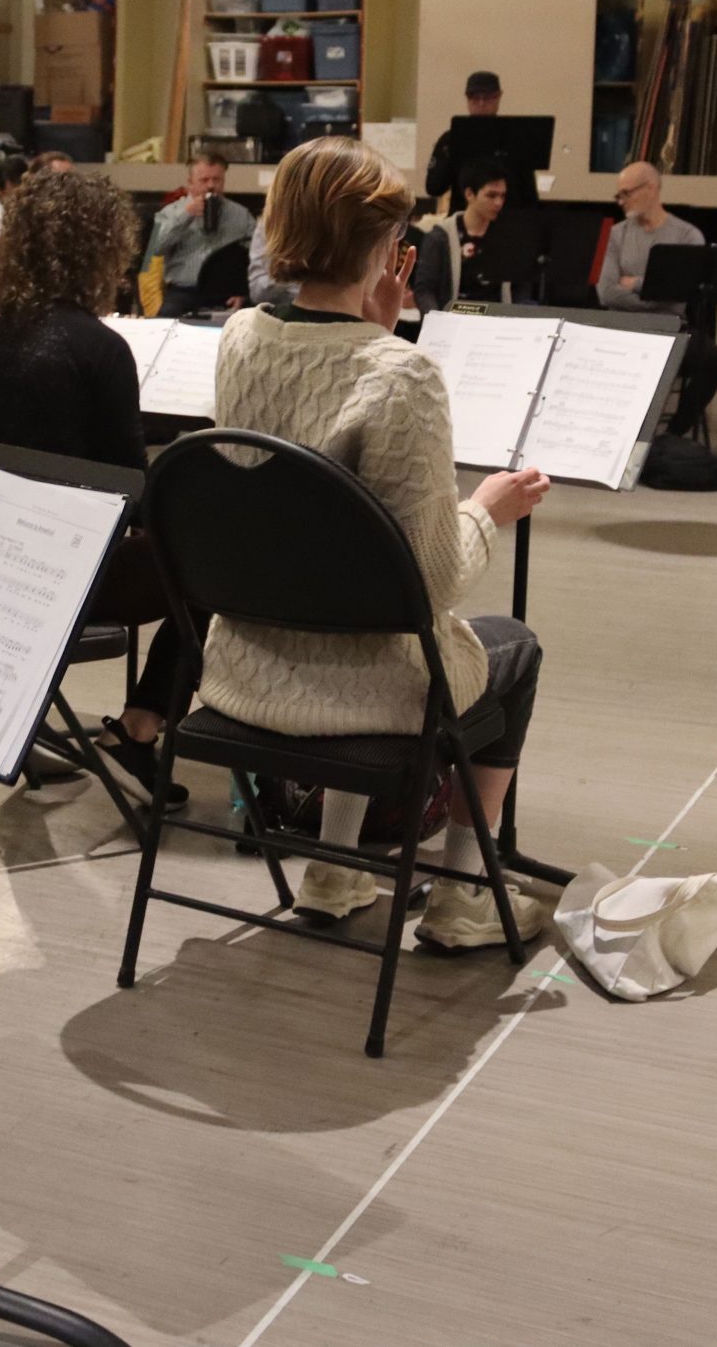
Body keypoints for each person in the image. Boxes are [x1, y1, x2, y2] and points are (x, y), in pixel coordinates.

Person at [205, 137, 553, 945]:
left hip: (245, 661)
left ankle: (333, 869)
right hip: (360, 684)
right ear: (379, 245)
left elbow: (302, 510)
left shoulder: (241, 339)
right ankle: (466, 896)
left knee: (346, 603)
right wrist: (487, 511)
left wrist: (374, 328)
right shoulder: (403, 374)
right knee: (516, 649)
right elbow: (431, 579)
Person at [0, 169, 190, 799]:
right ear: (102, 248)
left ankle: (26, 729)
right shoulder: (98, 348)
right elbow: (131, 492)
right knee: (215, 561)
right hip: (60, 577)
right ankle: (138, 731)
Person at [600, 162, 717, 438]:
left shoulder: (687, 235)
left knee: (712, 359)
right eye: (619, 195)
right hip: (623, 326)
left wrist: (635, 283)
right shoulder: (615, 234)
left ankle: (673, 435)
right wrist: (655, 293)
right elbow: (606, 292)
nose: (621, 201)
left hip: (670, 326)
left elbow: (681, 295)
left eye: (626, 193)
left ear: (651, 188)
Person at [146, 157, 254, 317]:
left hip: (226, 293)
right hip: (184, 292)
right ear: (190, 182)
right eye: (204, 180)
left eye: (217, 180)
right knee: (165, 318)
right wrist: (185, 215)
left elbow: (258, 255)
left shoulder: (241, 215)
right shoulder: (170, 212)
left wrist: (243, 290)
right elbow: (155, 249)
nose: (211, 185)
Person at [410, 152, 512, 316]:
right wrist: (438, 320)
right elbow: (424, 290)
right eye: (491, 195)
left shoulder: (507, 237)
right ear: (469, 194)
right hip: (455, 323)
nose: (498, 203)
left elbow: (521, 288)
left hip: (496, 325)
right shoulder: (440, 237)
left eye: (502, 196)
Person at [422, 69, 503, 214]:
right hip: (462, 216)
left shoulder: (511, 136)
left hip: (505, 218)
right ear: (467, 99)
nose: (481, 103)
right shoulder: (450, 138)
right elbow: (433, 187)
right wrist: (450, 154)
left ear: (498, 97)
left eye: (488, 97)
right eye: (474, 98)